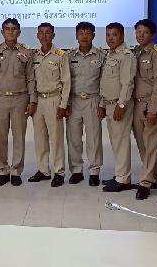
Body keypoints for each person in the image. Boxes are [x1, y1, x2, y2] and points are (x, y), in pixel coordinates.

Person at [0, 18, 36, 187]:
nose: (10, 31)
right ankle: (2, 170)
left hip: (20, 99)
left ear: (19, 32)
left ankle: (16, 171)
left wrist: (32, 100)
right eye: (7, 29)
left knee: (19, 137)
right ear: (2, 32)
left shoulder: (26, 52)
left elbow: (30, 78)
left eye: (14, 29)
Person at [28, 22, 70, 187]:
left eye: (48, 32)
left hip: (54, 99)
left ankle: (59, 172)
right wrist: (32, 101)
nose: (44, 36)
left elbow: (66, 82)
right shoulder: (34, 56)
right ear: (37, 35)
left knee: (56, 138)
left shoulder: (61, 55)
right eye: (41, 32)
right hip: (38, 100)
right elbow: (31, 80)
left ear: (53, 35)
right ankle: (43, 170)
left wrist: (63, 105)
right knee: (40, 138)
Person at [66, 22, 105, 187]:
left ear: (93, 36)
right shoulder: (69, 56)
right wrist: (66, 103)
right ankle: (76, 170)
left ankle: (94, 171)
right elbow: (66, 81)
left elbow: (104, 81)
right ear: (76, 36)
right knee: (73, 138)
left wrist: (102, 104)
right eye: (81, 33)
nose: (84, 37)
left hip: (92, 100)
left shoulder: (101, 55)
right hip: (74, 101)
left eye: (88, 33)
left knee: (94, 138)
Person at [100, 22, 136, 193]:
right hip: (109, 104)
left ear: (122, 36)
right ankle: (119, 174)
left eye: (114, 35)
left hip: (119, 105)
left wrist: (121, 105)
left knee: (121, 142)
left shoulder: (126, 55)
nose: (110, 38)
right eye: (108, 35)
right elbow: (105, 82)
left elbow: (127, 83)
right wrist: (102, 103)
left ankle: (123, 180)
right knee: (115, 141)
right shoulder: (110, 54)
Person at [131, 19, 157, 200]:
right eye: (138, 32)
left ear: (152, 34)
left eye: (144, 32)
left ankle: (145, 183)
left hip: (150, 105)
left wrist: (153, 109)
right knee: (143, 146)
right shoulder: (135, 52)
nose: (140, 35)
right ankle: (154, 178)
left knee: (151, 145)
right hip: (136, 104)